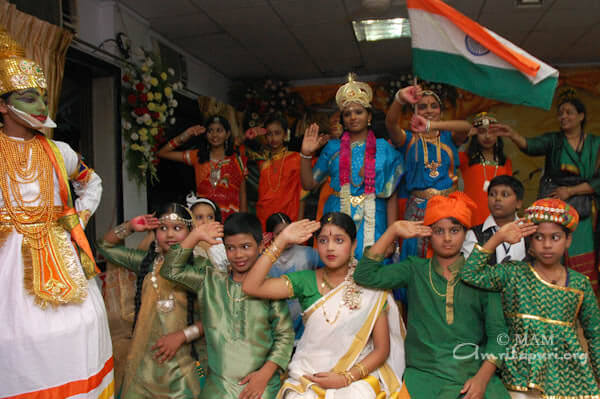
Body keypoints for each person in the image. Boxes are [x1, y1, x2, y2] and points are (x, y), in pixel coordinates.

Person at [0, 29, 113, 398]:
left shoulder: (58, 150)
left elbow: (91, 181)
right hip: (8, 263)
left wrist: (78, 219)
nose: (40, 107)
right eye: (28, 98)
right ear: (3, 105)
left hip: (61, 253)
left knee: (83, 327)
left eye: (43, 98)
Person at [355, 192, 510, 399]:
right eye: (439, 231)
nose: (447, 238)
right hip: (423, 376)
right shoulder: (415, 269)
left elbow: (499, 336)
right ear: (428, 233)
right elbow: (365, 275)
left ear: (465, 233)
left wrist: (482, 379)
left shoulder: (483, 277)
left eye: (454, 230)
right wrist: (392, 231)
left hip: (473, 374)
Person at [242, 212, 405, 399]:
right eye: (323, 241)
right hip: (309, 373)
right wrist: (283, 240)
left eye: (339, 240)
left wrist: (346, 378)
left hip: (356, 375)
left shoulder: (369, 285)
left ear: (353, 246)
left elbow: (381, 349)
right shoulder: (306, 280)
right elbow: (251, 286)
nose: (330, 248)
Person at [460, 198, 600, 398]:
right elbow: (469, 274)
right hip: (519, 375)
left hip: (568, 379)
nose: (547, 245)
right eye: (539, 237)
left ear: (568, 240)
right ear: (530, 240)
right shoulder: (513, 273)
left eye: (555, 237)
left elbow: (595, 335)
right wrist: (497, 238)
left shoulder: (580, 285)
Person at [160, 212, 294, 399]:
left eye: (245, 247)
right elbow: (170, 270)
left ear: (261, 246)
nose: (238, 255)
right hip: (218, 386)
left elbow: (285, 336)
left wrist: (264, 375)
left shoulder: (269, 287)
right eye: (231, 248)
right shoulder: (210, 281)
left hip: (260, 385)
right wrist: (195, 235)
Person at [491, 92, 600, 291]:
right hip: (555, 204)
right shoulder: (554, 140)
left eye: (569, 112)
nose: (563, 117)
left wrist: (572, 191)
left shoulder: (595, 144)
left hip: (585, 208)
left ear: (581, 116)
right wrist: (511, 134)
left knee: (583, 254)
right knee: (551, 246)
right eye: (560, 113)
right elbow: (530, 145)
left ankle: (582, 302)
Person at [96, 204, 205, 398]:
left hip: (183, 367)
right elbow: (104, 246)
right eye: (163, 228)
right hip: (143, 368)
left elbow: (216, 316)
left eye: (177, 228)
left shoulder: (200, 267)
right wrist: (129, 226)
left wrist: (182, 335)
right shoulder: (146, 263)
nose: (169, 235)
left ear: (191, 232)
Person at [300, 74, 403, 258]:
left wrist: (392, 238)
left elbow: (391, 196)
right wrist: (306, 155)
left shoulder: (384, 148)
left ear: (369, 116)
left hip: (373, 216)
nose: (353, 117)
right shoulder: (332, 148)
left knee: (371, 268)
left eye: (358, 112)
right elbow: (309, 184)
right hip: (337, 215)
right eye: (347, 114)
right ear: (343, 120)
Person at [386, 85, 472, 259]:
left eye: (434, 106)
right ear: (414, 112)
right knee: (417, 257)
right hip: (418, 207)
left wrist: (431, 125)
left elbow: (466, 126)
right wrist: (399, 99)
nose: (429, 110)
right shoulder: (408, 139)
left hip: (448, 206)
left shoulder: (449, 138)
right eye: (422, 106)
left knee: (450, 254)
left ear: (440, 111)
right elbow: (390, 123)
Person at [157, 115, 247, 220]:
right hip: (204, 220)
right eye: (210, 131)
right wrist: (187, 134)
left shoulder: (237, 160)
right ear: (205, 134)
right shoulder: (197, 157)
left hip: (231, 221)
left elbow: (242, 193)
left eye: (219, 130)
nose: (214, 135)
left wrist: (243, 221)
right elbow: (162, 153)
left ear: (227, 134)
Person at [264, 212, 320, 340]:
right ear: (270, 235)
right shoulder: (264, 259)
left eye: (289, 231)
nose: (287, 237)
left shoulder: (308, 254)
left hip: (304, 320)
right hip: (275, 320)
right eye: (280, 234)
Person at [246, 115, 309, 228]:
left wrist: (300, 223)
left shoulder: (296, 159)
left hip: (289, 215)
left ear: (285, 135)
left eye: (277, 133)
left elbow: (302, 194)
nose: (273, 138)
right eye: (269, 134)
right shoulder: (260, 159)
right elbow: (235, 150)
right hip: (264, 215)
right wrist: (252, 134)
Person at [459, 112, 513, 226]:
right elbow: (445, 154)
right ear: (475, 135)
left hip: (498, 218)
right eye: (482, 132)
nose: (487, 136)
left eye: (492, 132)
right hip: (471, 216)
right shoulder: (465, 158)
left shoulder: (505, 162)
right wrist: (465, 135)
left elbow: (509, 193)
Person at [462, 175, 527, 263]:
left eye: (505, 194)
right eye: (492, 194)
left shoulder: (529, 233)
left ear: (518, 203)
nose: (497, 198)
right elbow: (468, 271)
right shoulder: (474, 235)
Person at [186, 192, 228, 271]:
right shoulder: (187, 244)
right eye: (199, 217)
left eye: (210, 217)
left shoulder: (222, 242)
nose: (205, 221)